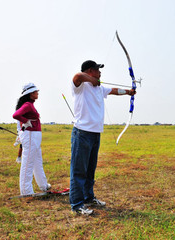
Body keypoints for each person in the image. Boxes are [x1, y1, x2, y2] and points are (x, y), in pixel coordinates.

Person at [70, 60, 136, 215]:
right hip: (82, 133)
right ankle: (77, 204)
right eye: (97, 71)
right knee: (79, 170)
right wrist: (91, 80)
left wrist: (129, 92)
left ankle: (88, 197)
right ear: (90, 71)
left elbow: (114, 90)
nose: (100, 74)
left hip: (94, 134)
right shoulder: (80, 87)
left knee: (90, 169)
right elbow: (77, 76)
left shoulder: (99, 89)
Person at [12, 83, 51, 195]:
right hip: (30, 135)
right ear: (30, 94)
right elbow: (16, 115)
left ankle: (43, 185)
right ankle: (26, 190)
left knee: (37, 160)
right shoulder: (28, 105)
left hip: (34, 135)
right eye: (35, 91)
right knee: (28, 162)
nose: (37, 93)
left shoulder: (30, 104)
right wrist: (25, 121)